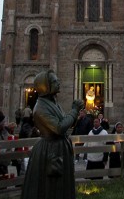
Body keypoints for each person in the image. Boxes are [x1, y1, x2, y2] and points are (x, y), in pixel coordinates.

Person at [20, 69, 84, 199]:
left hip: (59, 147)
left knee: (61, 184)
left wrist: (74, 115)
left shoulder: (53, 103)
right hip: (50, 150)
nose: (59, 83)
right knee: (51, 185)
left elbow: (65, 122)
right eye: (55, 81)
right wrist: (74, 110)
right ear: (46, 86)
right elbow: (59, 128)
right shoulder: (40, 108)